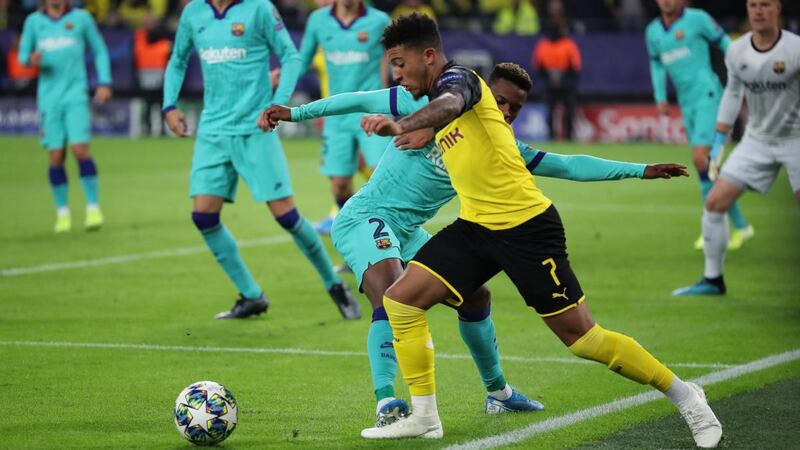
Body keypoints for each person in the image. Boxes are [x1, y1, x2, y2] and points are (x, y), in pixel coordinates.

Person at [345, 13, 722, 447]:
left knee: (583, 339)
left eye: (400, 63)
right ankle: (426, 417)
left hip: (527, 229)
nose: (396, 74)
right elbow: (423, 112)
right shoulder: (436, 108)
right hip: (475, 227)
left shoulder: (462, 81)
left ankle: (686, 396)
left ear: (428, 56)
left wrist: (404, 124)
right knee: (401, 300)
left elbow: (457, 107)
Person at [261, 61, 693, 429]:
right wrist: (295, 113)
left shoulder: (499, 144)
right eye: (500, 101)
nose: (505, 112)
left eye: (515, 109)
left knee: (476, 296)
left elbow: (569, 164)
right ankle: (387, 402)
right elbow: (355, 99)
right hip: (367, 216)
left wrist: (639, 169)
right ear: (481, 91)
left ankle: (498, 391)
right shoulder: (420, 102)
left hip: (410, 227)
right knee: (392, 293)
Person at [162, 0, 360, 320]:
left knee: (286, 216)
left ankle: (334, 284)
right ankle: (252, 295)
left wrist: (277, 104)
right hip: (213, 130)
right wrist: (169, 106)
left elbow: (291, 56)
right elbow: (178, 59)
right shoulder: (193, 12)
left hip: (255, 129)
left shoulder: (259, 9)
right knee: (203, 217)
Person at [673, 0, 799, 296]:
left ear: (777, 8)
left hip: (795, 139)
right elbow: (732, 93)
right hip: (757, 140)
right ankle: (713, 280)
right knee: (715, 202)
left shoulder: (794, 49)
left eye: (764, 5)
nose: (757, 10)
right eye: (753, 5)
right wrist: (718, 142)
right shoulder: (736, 49)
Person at [646, 0, 753, 250]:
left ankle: (713, 229)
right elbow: (656, 63)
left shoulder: (698, 19)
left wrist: (747, 70)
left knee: (699, 159)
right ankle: (740, 226)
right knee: (706, 166)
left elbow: (725, 43)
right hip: (687, 104)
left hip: (707, 95)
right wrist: (660, 95)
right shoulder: (652, 31)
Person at [296, 0, 392, 235]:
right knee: (339, 186)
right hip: (336, 116)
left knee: (383, 177)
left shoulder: (379, 21)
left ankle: (392, 241)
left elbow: (401, 56)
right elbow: (301, 61)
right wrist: (279, 81)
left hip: (372, 111)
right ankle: (360, 239)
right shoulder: (318, 20)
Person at [18, 0, 111, 233]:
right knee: (56, 156)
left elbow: (99, 50)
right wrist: (31, 60)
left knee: (80, 149)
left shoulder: (81, 19)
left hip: (75, 95)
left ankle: (93, 207)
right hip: (49, 99)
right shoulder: (34, 22)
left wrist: (104, 81)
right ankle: (62, 212)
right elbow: (22, 56)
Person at [532, 22, 581, 140]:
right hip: (555, 81)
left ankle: (566, 136)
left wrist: (555, 78)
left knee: (564, 110)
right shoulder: (566, 44)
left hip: (562, 81)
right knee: (552, 110)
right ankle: (555, 136)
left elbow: (575, 66)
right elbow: (538, 65)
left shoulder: (566, 44)